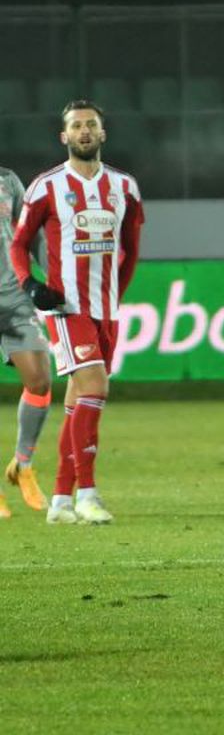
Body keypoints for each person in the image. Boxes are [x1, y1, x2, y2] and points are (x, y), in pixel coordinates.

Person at [9, 100, 144, 525]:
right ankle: (88, 493)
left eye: (91, 125)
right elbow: (17, 244)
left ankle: (61, 501)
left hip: (106, 309)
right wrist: (32, 284)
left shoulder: (124, 187)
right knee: (96, 387)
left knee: (77, 402)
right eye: (76, 126)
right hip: (66, 307)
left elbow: (131, 250)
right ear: (63, 137)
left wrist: (115, 295)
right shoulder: (46, 187)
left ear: (102, 134)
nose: (84, 131)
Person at [0, 166, 52, 519]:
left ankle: (23, 463)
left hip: (13, 298)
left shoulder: (7, 179)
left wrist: (47, 274)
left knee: (40, 380)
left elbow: (27, 233)